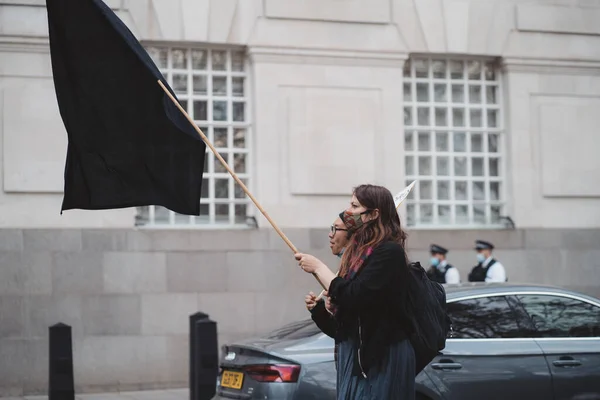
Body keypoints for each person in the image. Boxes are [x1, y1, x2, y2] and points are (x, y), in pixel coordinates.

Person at [296, 184, 415, 400]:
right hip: (357, 359)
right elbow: (345, 330)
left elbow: (355, 296)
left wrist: (319, 268)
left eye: (355, 205)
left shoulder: (389, 252)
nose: (348, 211)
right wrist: (320, 311)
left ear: (374, 214)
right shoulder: (358, 256)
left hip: (382, 358)